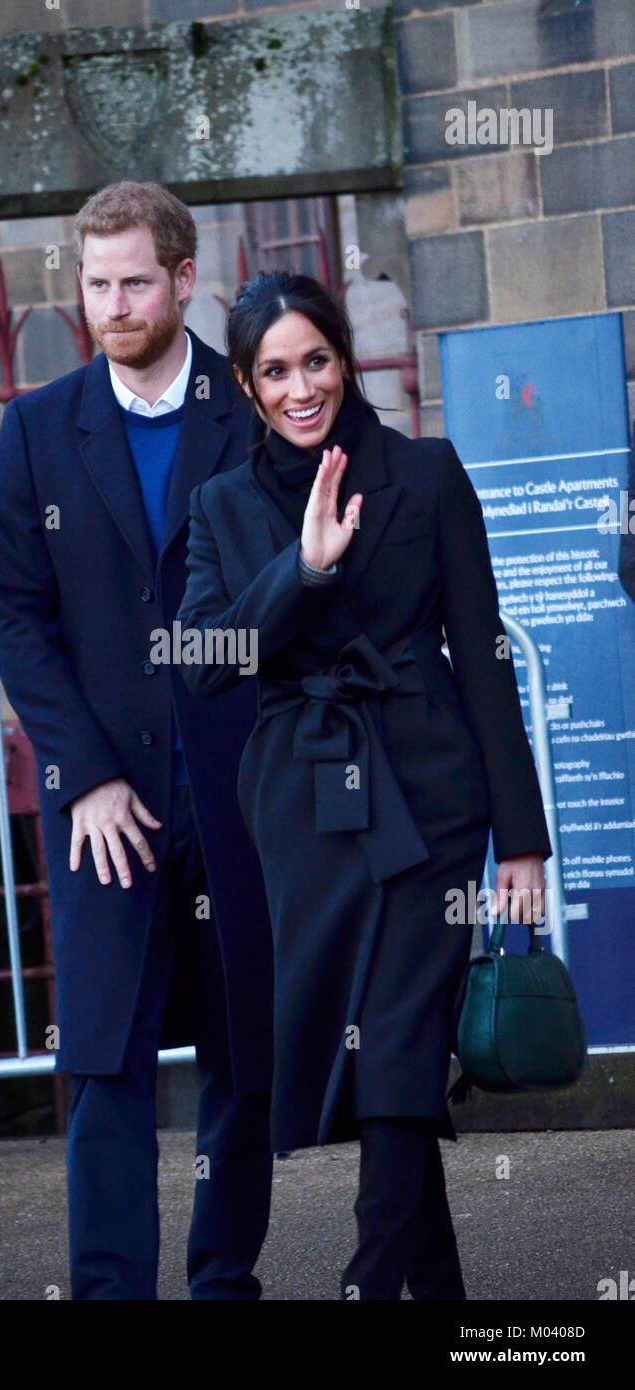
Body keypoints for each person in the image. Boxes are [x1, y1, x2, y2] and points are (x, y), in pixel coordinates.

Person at [177, 270, 552, 1300]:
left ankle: (371, 1278)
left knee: (395, 1034)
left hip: (430, 794)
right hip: (305, 809)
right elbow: (202, 660)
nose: (300, 388)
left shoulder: (427, 473)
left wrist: (522, 840)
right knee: (383, 1049)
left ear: (344, 360)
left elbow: (484, 657)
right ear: (247, 387)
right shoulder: (219, 505)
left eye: (316, 361)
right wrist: (299, 571)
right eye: (274, 372)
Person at [0, 183, 274, 1300]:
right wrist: (86, 777)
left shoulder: (249, 410)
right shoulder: (36, 427)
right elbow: (16, 617)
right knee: (104, 1062)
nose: (112, 304)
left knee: (243, 1057)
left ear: (184, 280)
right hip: (106, 808)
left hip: (238, 792)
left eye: (135, 282)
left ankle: (223, 1283)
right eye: (96, 284)